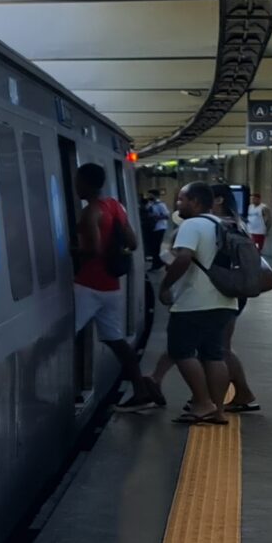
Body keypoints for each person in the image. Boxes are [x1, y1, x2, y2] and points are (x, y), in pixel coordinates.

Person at [74, 163, 162, 411]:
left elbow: (94, 250)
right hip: (112, 287)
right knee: (116, 340)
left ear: (85, 183)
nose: (75, 186)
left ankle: (63, 390)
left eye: (77, 181)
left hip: (88, 285)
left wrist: (71, 251)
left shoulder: (91, 212)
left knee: (64, 335)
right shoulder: (115, 206)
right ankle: (140, 389)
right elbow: (133, 243)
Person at [158, 182, 240, 425]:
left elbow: (184, 257)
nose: (178, 204)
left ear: (195, 201)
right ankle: (218, 410)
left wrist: (164, 285)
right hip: (225, 300)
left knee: (180, 350)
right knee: (214, 355)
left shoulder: (192, 225)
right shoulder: (222, 224)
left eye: (182, 200)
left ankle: (202, 403)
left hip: (195, 301)